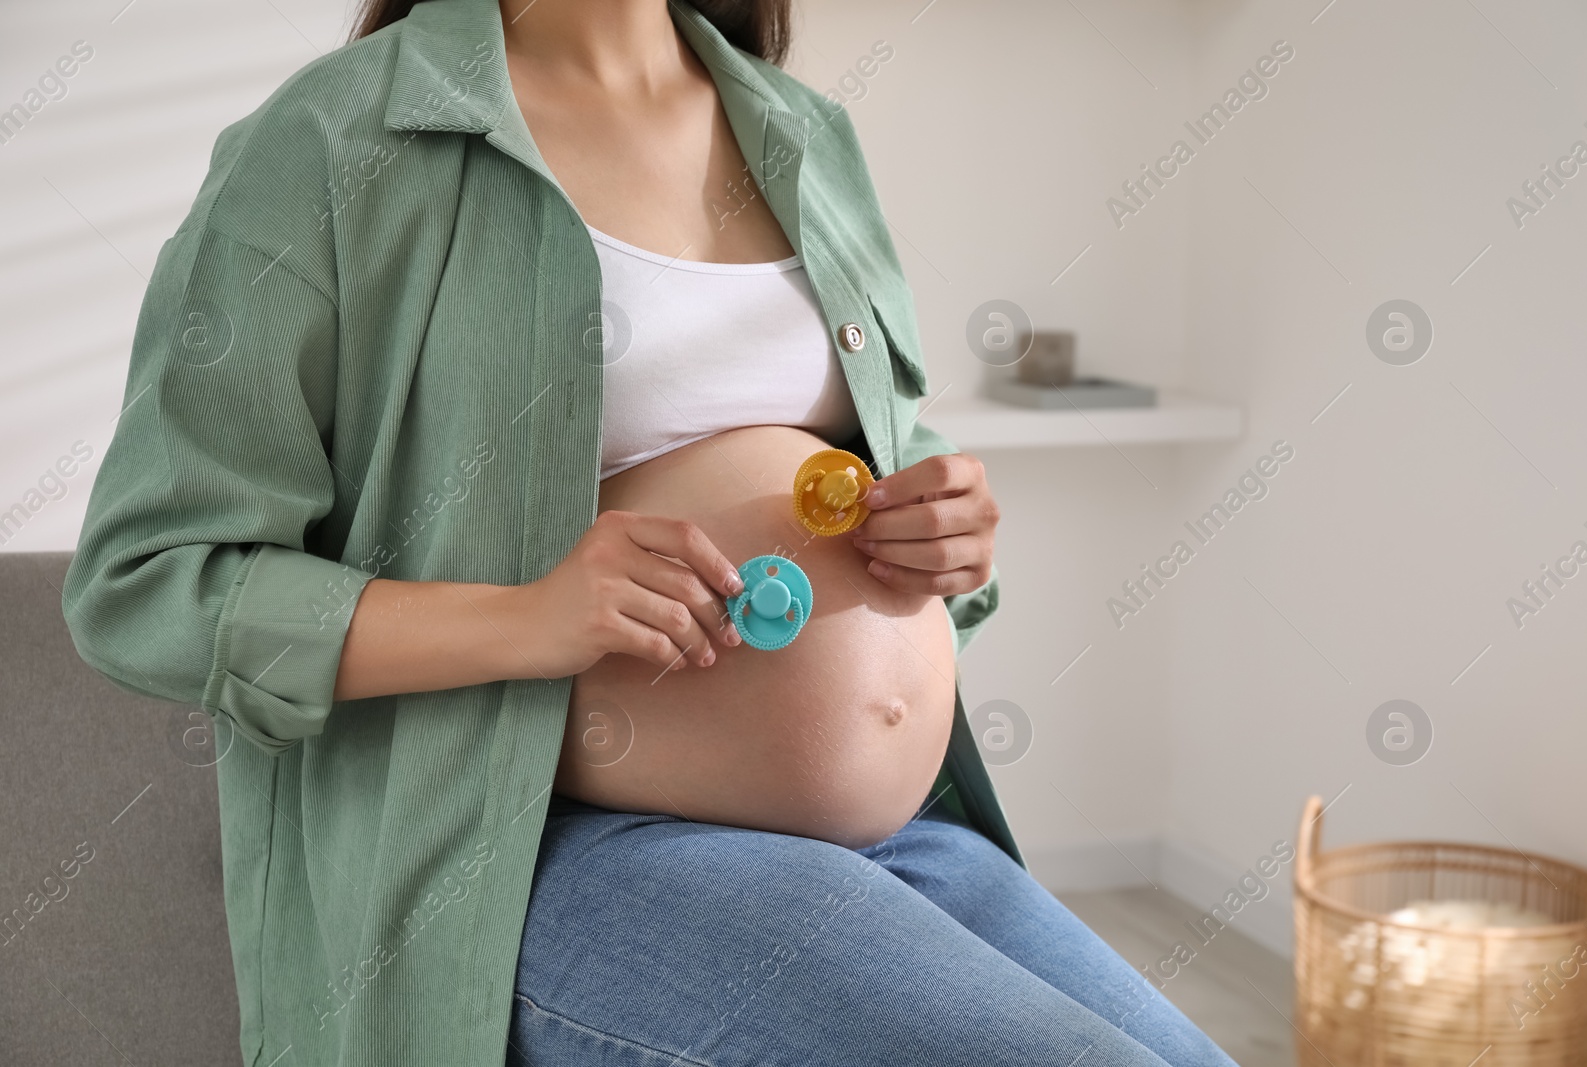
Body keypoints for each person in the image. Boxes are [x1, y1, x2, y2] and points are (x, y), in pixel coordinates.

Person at [61, 0, 1239, 1063]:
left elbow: (895, 449)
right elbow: (149, 582)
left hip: (890, 835)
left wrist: (948, 539)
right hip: (532, 855)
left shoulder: (802, 134)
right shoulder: (338, 141)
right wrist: (526, 619)